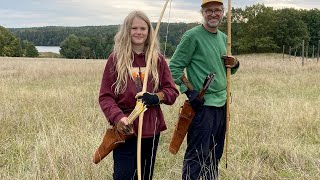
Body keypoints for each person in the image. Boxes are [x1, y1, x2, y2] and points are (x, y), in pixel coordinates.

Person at [98, 10, 179, 180]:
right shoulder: (115, 59)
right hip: (125, 130)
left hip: (151, 129)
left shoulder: (157, 60)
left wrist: (156, 97)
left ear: (149, 32)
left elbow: (171, 92)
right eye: (134, 28)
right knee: (123, 176)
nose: (139, 32)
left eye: (143, 28)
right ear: (127, 30)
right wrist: (119, 117)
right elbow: (106, 96)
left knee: (145, 175)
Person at [169, 0, 240, 179]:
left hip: (222, 105)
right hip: (202, 106)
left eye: (217, 10)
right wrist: (189, 91)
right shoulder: (192, 36)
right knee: (197, 155)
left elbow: (225, 67)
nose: (213, 14)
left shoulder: (224, 38)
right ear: (202, 13)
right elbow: (175, 67)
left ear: (223, 12)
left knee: (215, 154)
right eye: (209, 11)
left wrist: (235, 63)